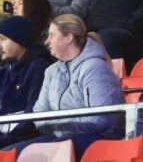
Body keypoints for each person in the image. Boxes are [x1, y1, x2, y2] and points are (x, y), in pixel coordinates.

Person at [8, 15, 122, 158]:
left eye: (51, 35)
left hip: (97, 139)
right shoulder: (51, 71)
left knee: (40, 154)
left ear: (68, 37)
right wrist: (59, 125)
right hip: (60, 137)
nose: (46, 42)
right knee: (12, 154)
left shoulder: (95, 68)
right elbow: (38, 113)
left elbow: (101, 119)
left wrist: (56, 123)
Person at [0, 16, 50, 150]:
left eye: (3, 39)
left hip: (27, 144)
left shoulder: (39, 68)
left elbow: (33, 119)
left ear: (20, 39)